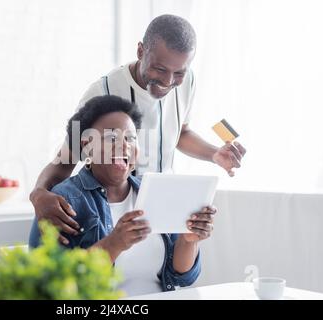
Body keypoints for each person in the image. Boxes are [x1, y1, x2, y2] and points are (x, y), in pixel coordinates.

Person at [30, 14, 245, 245]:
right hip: (116, 212)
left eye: (179, 73)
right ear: (141, 51)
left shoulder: (187, 81)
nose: (168, 81)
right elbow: (65, 159)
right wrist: (38, 194)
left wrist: (214, 154)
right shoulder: (102, 92)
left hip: (164, 207)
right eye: (160, 69)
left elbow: (180, 133)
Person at [29, 96, 217, 295]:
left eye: (131, 138)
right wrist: (113, 244)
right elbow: (50, 285)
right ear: (87, 146)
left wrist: (189, 240)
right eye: (111, 138)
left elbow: (180, 275)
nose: (124, 145)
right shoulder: (64, 200)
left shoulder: (157, 190)